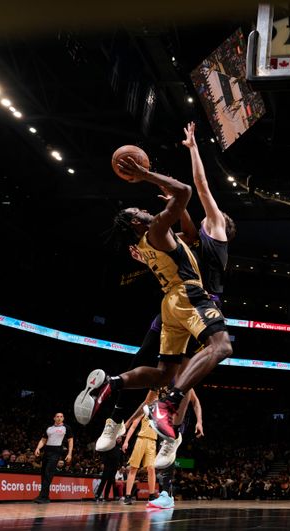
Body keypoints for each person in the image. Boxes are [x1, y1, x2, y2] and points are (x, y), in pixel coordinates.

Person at [92, 121, 235, 456]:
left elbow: (190, 202)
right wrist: (151, 175)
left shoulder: (210, 233)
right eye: (142, 212)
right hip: (190, 297)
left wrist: (184, 167)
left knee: (165, 372)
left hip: (175, 299)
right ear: (139, 222)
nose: (147, 210)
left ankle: (119, 388)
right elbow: (190, 193)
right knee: (218, 350)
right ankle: (160, 410)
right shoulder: (171, 232)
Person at [33, 413, 73, 503]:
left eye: (61, 417)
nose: (59, 418)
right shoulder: (49, 428)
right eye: (57, 416)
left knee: (48, 473)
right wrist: (38, 448)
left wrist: (69, 453)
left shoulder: (66, 428)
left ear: (63, 418)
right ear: (54, 418)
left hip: (56, 450)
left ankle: (43, 497)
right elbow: (43, 439)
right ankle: (45, 496)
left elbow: (70, 441)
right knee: (43, 473)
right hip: (47, 450)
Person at [122, 413, 158, 505]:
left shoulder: (160, 411)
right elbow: (134, 426)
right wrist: (126, 441)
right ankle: (128, 496)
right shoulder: (144, 409)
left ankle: (152, 496)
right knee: (134, 467)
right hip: (141, 440)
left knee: (151, 468)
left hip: (153, 442)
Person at [94, 435, 123, 502]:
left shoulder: (120, 448)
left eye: (120, 438)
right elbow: (105, 454)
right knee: (104, 480)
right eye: (118, 438)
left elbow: (121, 457)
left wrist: (121, 465)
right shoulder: (111, 445)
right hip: (108, 465)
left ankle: (106, 497)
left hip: (115, 467)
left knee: (110, 481)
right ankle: (97, 496)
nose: (119, 439)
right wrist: (103, 463)